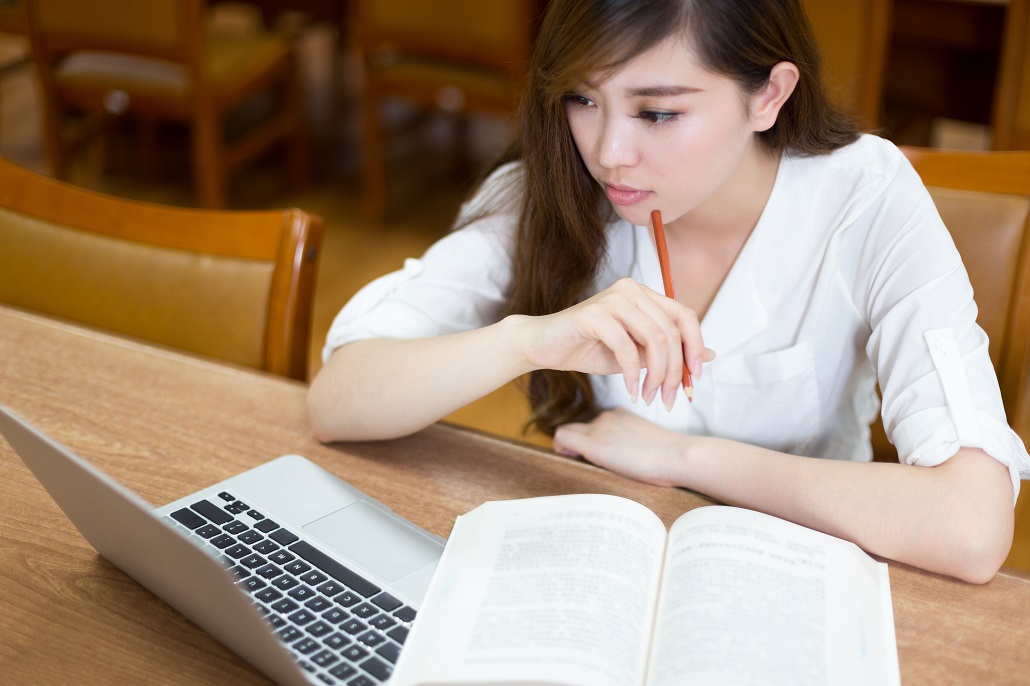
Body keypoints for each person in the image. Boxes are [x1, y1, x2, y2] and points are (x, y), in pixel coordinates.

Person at [309, 0, 1030, 583]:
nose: (608, 152)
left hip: (798, 576)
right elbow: (338, 399)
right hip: (599, 569)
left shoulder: (865, 199)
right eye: (583, 99)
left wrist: (684, 460)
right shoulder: (554, 190)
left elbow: (970, 527)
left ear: (769, 96)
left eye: (657, 113)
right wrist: (528, 338)